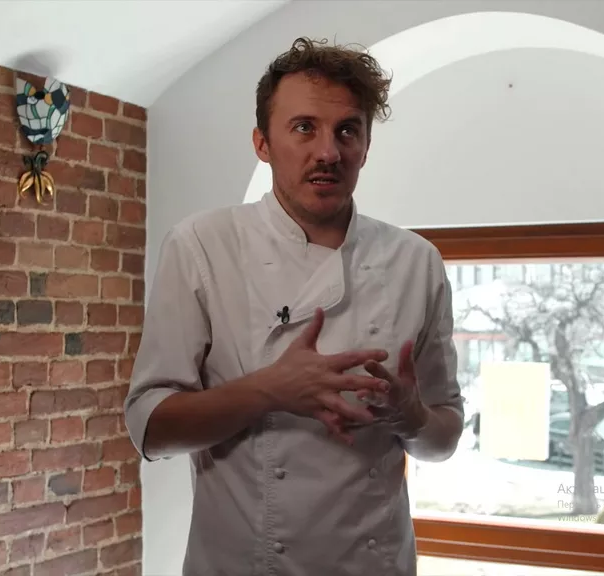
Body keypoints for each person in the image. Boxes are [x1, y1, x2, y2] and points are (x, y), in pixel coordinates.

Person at [124, 37, 465, 576]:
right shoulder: (203, 245)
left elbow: (444, 436)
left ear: (366, 146)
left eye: (347, 130)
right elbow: (150, 427)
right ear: (262, 143)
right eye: (304, 127)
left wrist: (413, 416)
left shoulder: (415, 261)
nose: (328, 152)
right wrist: (270, 390)